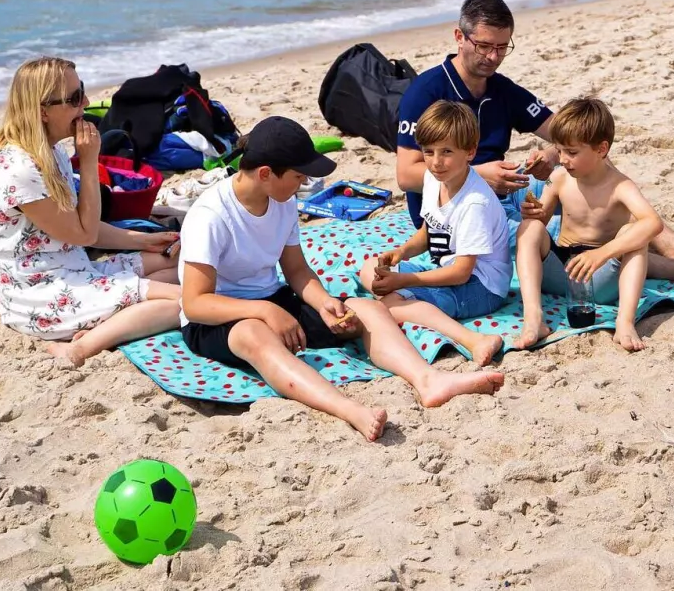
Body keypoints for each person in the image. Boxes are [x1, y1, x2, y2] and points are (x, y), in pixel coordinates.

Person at [179, 116, 504, 442]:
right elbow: (195, 304)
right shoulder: (210, 217)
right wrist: (264, 312)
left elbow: (297, 271)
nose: (303, 183)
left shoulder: (282, 201)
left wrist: (325, 304)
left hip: (270, 298)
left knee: (365, 309)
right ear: (265, 174)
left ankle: (428, 380)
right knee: (254, 332)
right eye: (297, 176)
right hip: (217, 318)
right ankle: (349, 410)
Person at [394, 0, 674, 287]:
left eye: (503, 48)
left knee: (594, 161)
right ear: (459, 37)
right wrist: (479, 173)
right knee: (532, 237)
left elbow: (567, 132)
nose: (493, 58)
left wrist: (552, 155)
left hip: (505, 183)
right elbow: (406, 175)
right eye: (484, 46)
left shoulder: (502, 89)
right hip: (453, 203)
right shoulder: (426, 91)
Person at [0, 56, 182, 366]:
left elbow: (83, 226)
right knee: (185, 304)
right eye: (74, 98)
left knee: (178, 264)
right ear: (42, 110)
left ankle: (118, 314)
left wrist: (147, 240)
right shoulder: (19, 169)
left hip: (73, 268)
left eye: (81, 90)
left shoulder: (52, 149)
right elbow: (84, 233)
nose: (85, 102)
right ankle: (80, 348)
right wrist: (88, 162)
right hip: (38, 292)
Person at [358, 102, 511, 367]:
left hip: (482, 286)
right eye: (428, 152)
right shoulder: (433, 179)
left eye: (447, 152)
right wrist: (402, 252)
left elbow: (462, 272)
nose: (436, 162)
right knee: (370, 268)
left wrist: (404, 280)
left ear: (470, 152)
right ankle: (412, 299)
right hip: (448, 269)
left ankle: (473, 339)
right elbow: (431, 230)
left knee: (392, 303)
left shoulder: (474, 202)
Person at [513, 99, 661, 352]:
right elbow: (540, 222)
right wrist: (532, 214)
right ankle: (533, 319)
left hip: (600, 277)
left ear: (601, 149)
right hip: (561, 272)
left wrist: (602, 253)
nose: (563, 160)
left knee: (634, 234)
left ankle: (624, 322)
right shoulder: (558, 178)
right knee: (529, 229)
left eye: (571, 152)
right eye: (559, 151)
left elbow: (653, 223)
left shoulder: (620, 186)